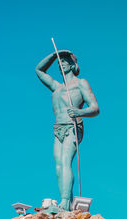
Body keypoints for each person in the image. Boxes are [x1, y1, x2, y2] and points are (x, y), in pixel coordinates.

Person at [35, 50, 100, 210]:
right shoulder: (56, 87)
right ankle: (67, 203)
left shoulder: (80, 83)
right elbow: (39, 70)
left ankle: (65, 200)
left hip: (72, 125)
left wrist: (80, 112)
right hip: (58, 128)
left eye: (63, 62)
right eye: (58, 63)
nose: (60, 65)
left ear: (72, 64)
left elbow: (95, 108)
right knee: (58, 166)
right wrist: (53, 55)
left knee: (65, 162)